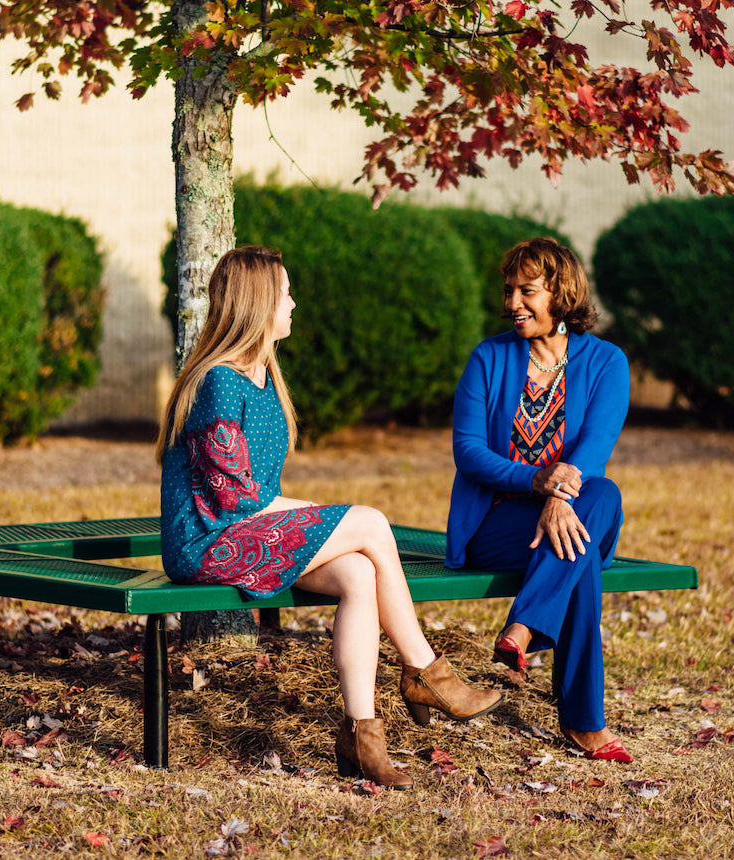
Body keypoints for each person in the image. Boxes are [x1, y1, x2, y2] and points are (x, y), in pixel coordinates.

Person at [157, 246, 502, 789]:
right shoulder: (220, 382)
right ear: (258, 303)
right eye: (285, 293)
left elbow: (258, 496)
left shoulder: (264, 377)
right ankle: (424, 670)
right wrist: (332, 518)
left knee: (360, 574)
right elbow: (233, 500)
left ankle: (360, 734)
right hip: (207, 540)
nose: (294, 303)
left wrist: (322, 517)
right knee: (370, 523)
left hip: (245, 528)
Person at [446, 237, 634, 763]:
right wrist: (537, 483)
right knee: (580, 558)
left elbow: (594, 450)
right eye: (509, 291)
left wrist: (558, 493)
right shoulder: (489, 358)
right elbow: (469, 453)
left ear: (561, 293)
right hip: (496, 524)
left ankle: (523, 626)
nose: (512, 303)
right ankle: (584, 724)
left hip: (573, 507)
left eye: (527, 291)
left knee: (602, 493)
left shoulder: (606, 363)